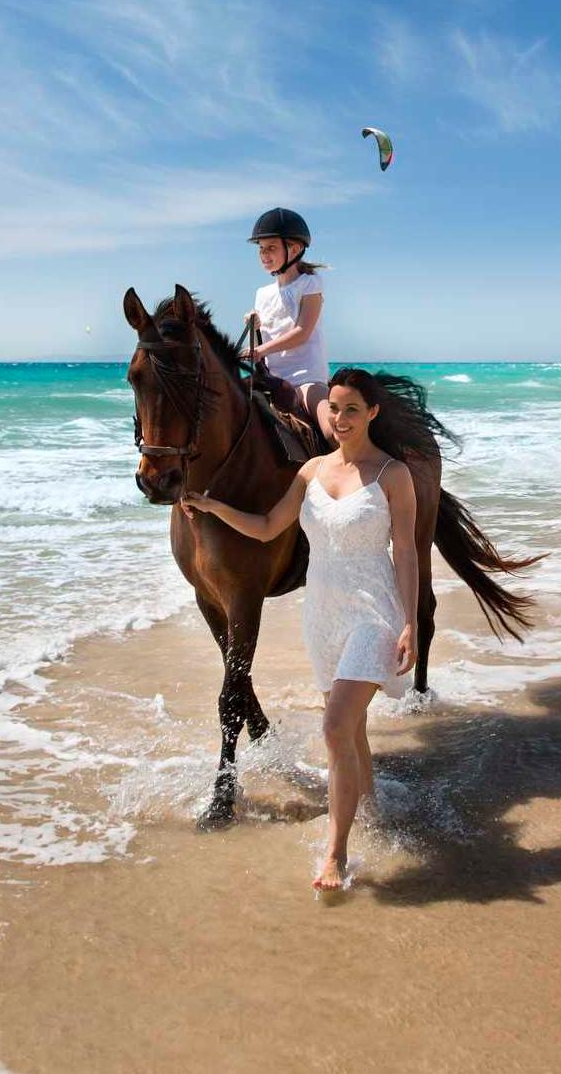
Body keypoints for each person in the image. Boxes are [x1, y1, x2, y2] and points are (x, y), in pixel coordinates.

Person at [181, 367, 417, 892]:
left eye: (352, 409)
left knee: (333, 728)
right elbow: (267, 527)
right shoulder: (310, 471)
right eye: (334, 408)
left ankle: (335, 855)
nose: (340, 418)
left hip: (373, 613)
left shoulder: (392, 475)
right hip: (323, 617)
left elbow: (404, 551)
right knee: (351, 731)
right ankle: (375, 809)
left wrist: (411, 623)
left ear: (373, 413)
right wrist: (213, 505)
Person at [247, 208, 330, 438]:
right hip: (271, 381)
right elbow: (265, 340)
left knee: (332, 431)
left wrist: (260, 349)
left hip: (305, 379)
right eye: (261, 249)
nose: (264, 255)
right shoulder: (262, 294)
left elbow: (302, 332)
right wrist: (255, 327)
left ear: (294, 248)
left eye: (271, 248)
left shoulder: (310, 283)